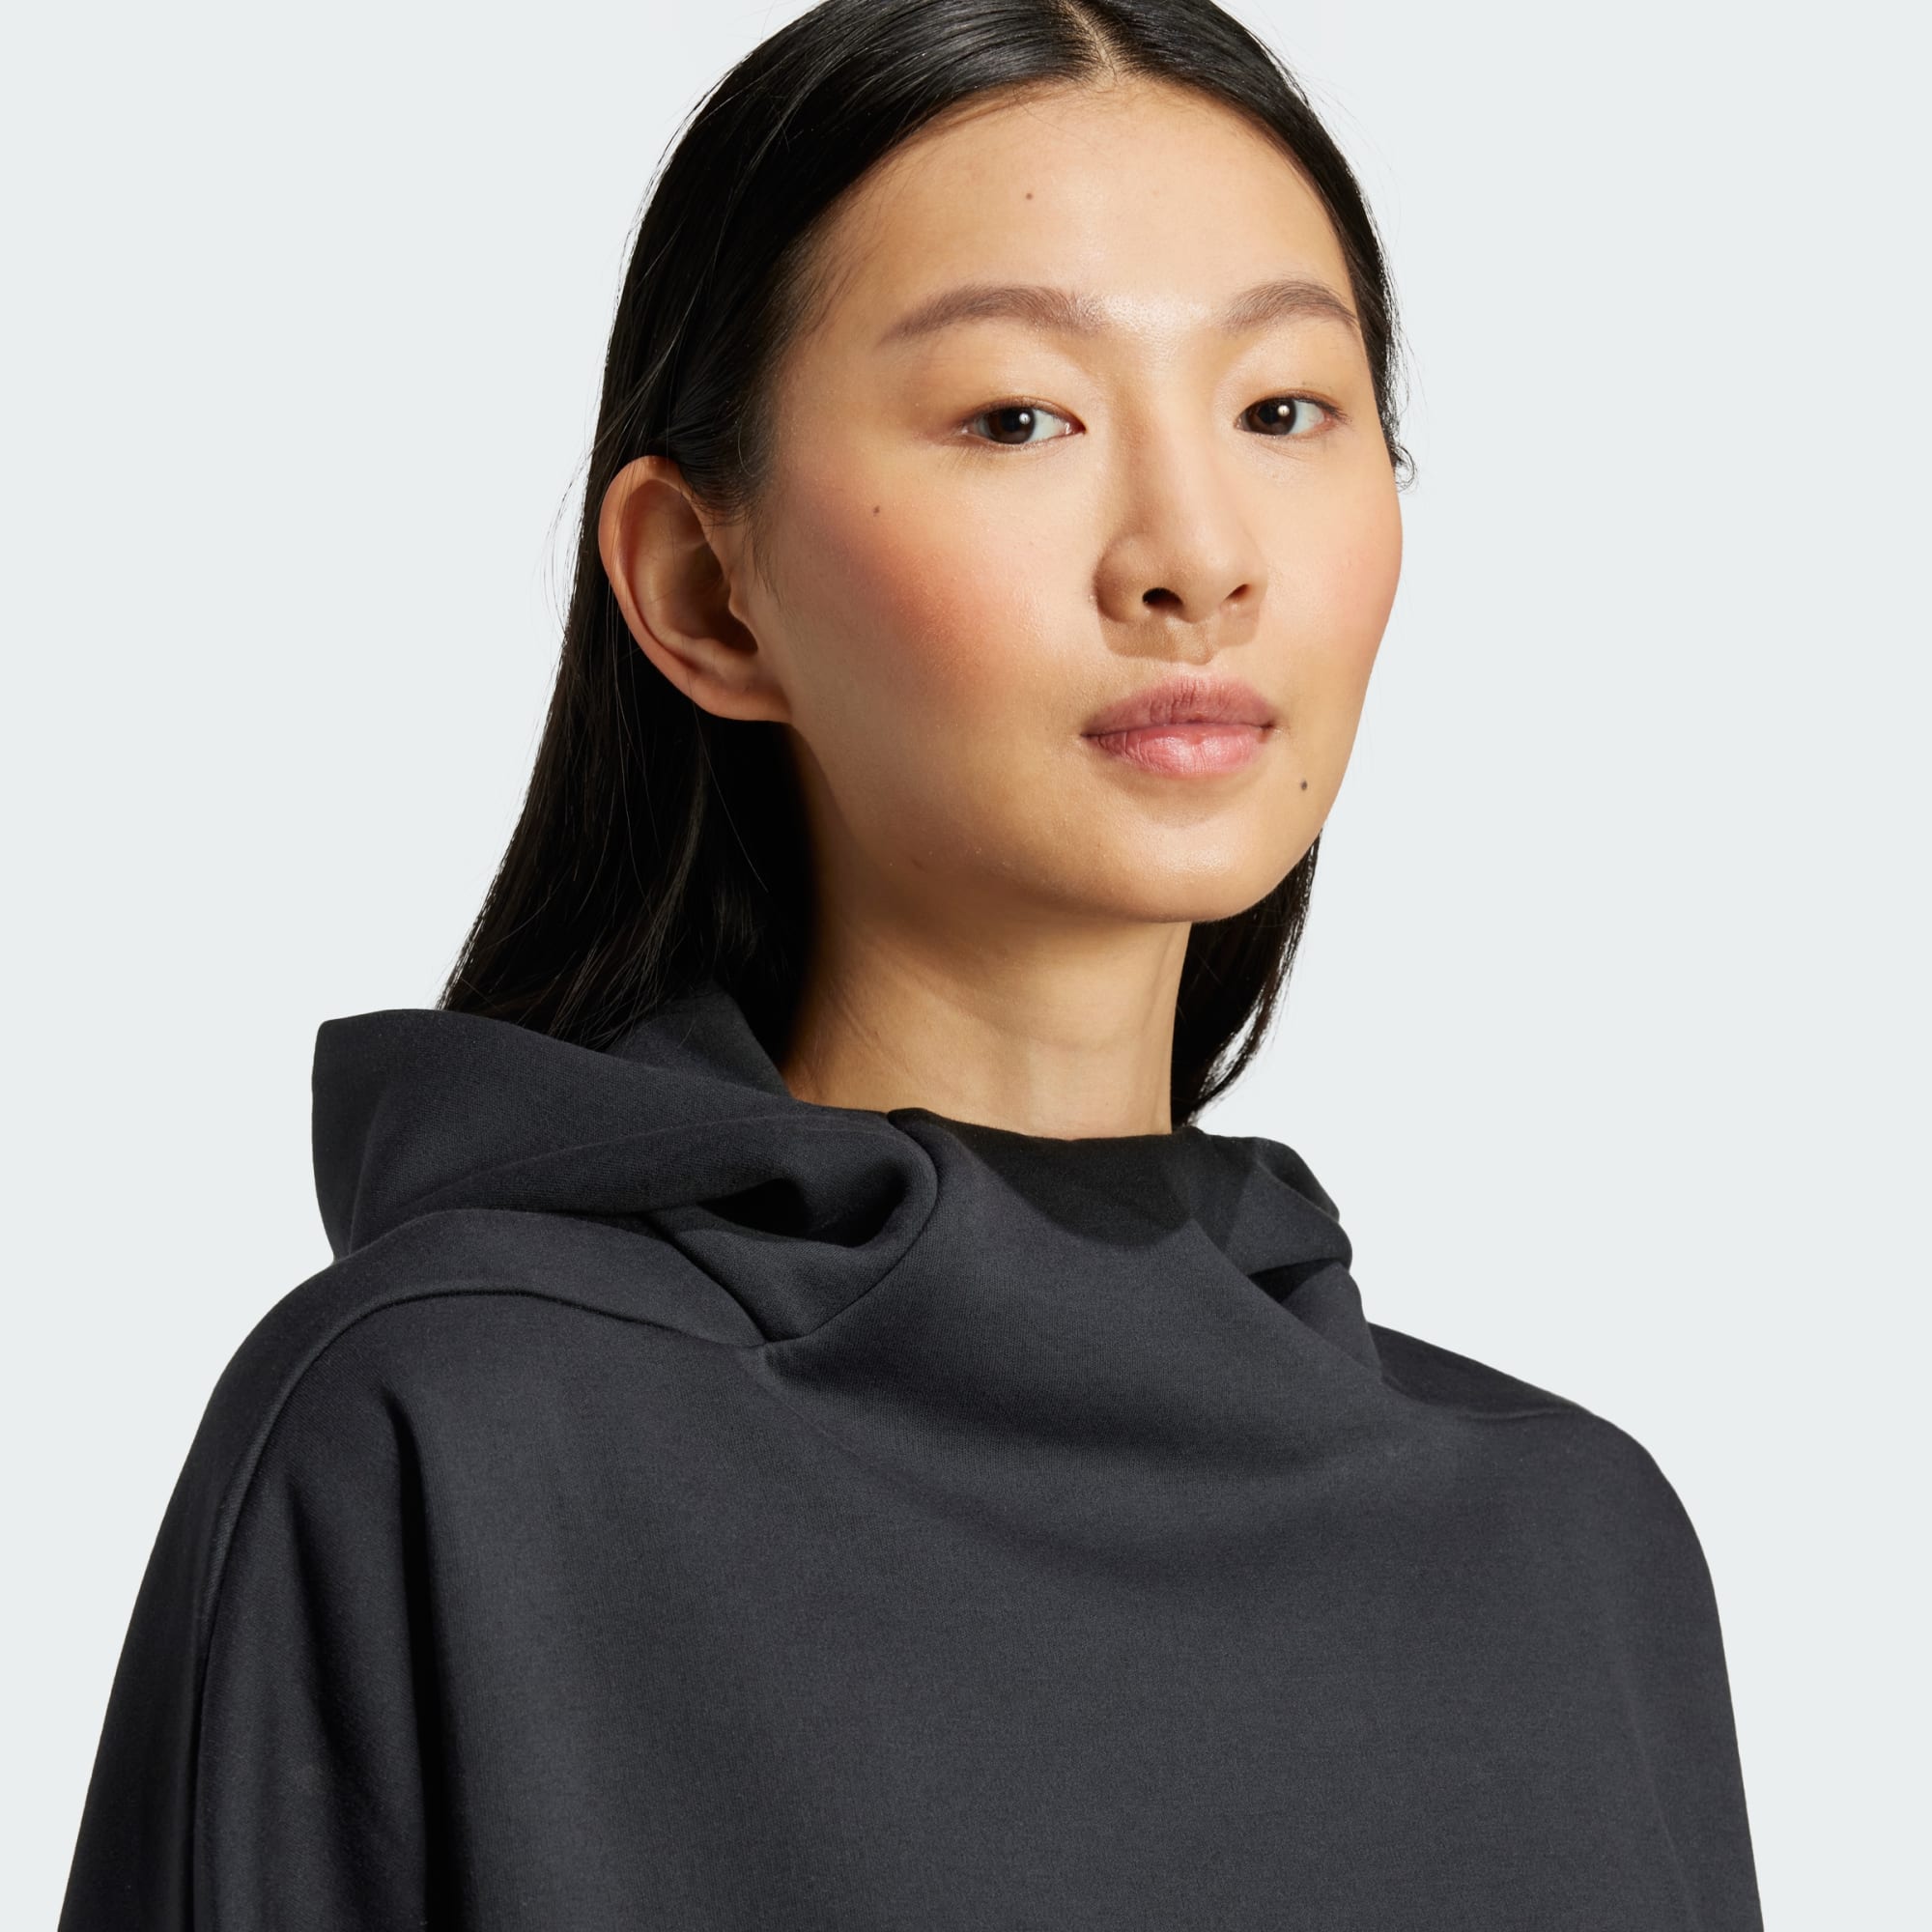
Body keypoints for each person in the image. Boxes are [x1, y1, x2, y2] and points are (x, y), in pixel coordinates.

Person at [56, 1, 1763, 1925]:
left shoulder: (1573, 1548)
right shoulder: (447, 1437)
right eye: (1019, 416)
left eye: (1283, 408)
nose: (1195, 555)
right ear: (704, 590)